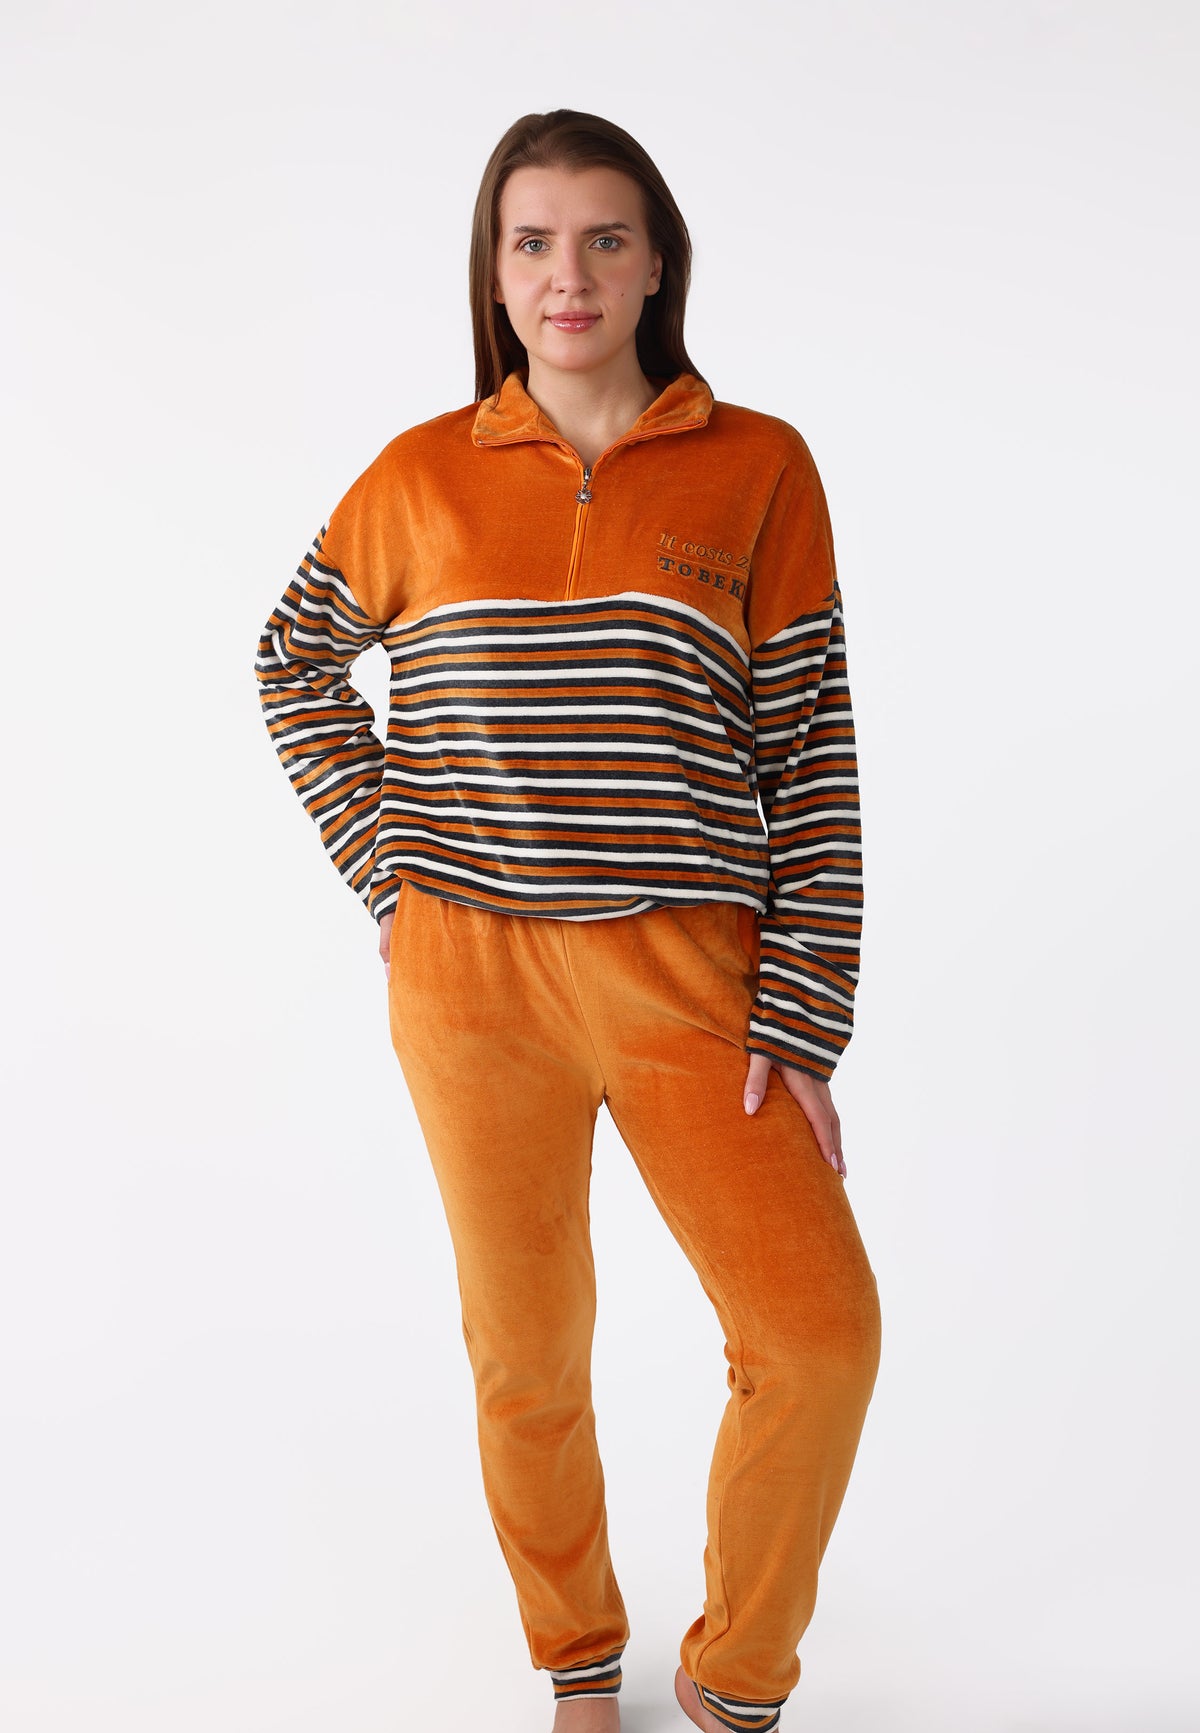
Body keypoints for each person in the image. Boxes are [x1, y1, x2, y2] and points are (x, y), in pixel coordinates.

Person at [254, 108, 882, 1733]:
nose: (569, 274)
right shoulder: (420, 476)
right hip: (470, 977)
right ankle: (577, 1660)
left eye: (606, 237)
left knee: (817, 1339)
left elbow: (812, 754)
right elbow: (292, 663)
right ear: (494, 270)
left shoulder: (760, 466)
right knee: (527, 1350)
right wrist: (388, 866)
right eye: (531, 241)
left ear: (658, 261)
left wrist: (805, 1012)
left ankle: (735, 1679)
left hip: (693, 973)